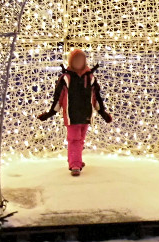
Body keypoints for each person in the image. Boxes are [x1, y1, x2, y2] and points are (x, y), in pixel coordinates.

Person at [37, 48, 112, 176]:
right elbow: (58, 98)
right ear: (71, 61)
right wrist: (50, 113)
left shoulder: (90, 78)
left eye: (81, 60)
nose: (79, 62)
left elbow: (96, 97)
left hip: (86, 114)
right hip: (71, 115)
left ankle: (76, 159)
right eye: (76, 60)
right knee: (74, 140)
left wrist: (102, 112)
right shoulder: (66, 78)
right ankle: (75, 164)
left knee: (81, 139)